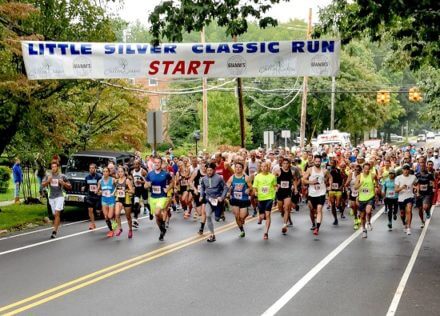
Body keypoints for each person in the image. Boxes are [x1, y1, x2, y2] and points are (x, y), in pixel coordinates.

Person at [145, 157, 173, 241]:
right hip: (153, 197)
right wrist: (147, 185)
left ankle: (163, 223)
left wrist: (168, 189)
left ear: (161, 164)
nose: (156, 164)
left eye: (158, 163)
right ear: (154, 163)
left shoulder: (165, 174)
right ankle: (162, 231)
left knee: (157, 212)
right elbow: (145, 184)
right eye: (155, 162)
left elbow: (172, 182)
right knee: (156, 217)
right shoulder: (150, 174)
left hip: (162, 196)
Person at [199, 162, 228, 242]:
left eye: (210, 170)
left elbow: (225, 188)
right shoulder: (204, 179)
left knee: (217, 219)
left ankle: (222, 208)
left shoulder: (219, 178)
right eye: (207, 170)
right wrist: (201, 195)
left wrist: (222, 197)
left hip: (218, 201)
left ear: (214, 170)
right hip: (209, 200)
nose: (209, 172)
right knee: (207, 215)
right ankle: (212, 235)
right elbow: (202, 187)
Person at [42, 161, 72, 238]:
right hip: (51, 197)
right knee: (55, 215)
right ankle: (57, 222)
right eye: (52, 167)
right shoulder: (48, 176)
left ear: (57, 168)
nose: (53, 168)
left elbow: (70, 186)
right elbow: (42, 185)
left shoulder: (62, 176)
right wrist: (48, 181)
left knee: (57, 213)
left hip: (60, 196)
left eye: (55, 167)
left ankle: (54, 231)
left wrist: (63, 183)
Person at [302, 155, 330, 236]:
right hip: (312, 193)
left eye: (319, 161)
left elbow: (330, 177)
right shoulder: (310, 170)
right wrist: (311, 182)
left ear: (321, 162)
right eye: (316, 161)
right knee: (312, 210)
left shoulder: (324, 171)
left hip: (321, 193)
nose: (318, 163)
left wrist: (329, 185)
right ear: (314, 161)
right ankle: (313, 223)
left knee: (319, 210)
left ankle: (317, 228)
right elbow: (303, 180)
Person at [227, 162, 252, 238]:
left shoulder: (246, 177)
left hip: (244, 199)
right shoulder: (232, 178)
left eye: (239, 167)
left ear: (242, 168)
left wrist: (248, 189)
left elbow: (251, 187)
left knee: (242, 217)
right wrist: (228, 192)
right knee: (237, 216)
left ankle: (246, 214)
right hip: (235, 199)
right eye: (236, 167)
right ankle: (242, 230)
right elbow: (227, 186)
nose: (237, 169)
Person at [253, 161, 277, 240]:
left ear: (268, 167)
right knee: (263, 216)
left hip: (269, 198)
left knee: (268, 215)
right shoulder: (257, 176)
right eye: (262, 166)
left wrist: (275, 194)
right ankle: (260, 217)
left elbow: (274, 186)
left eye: (265, 166)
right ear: (260, 168)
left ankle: (266, 232)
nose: (263, 168)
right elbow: (255, 187)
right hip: (260, 198)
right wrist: (255, 192)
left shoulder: (272, 176)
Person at [274, 158, 297, 235]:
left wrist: (295, 188)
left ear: (289, 164)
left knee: (286, 208)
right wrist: (276, 185)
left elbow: (294, 180)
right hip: (280, 192)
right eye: (284, 163)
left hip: (287, 192)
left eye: (287, 163)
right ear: (282, 164)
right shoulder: (278, 171)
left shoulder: (292, 172)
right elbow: (273, 179)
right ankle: (289, 219)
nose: (286, 165)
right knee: (281, 209)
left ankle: (284, 225)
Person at [355, 162, 377, 239]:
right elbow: (355, 187)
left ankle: (369, 222)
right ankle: (364, 230)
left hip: (370, 197)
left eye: (368, 169)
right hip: (361, 198)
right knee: (362, 216)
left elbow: (376, 182)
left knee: (368, 211)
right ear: (363, 169)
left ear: (370, 169)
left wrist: (376, 187)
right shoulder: (359, 176)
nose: (366, 170)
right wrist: (360, 184)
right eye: (365, 169)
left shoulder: (372, 175)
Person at [395, 164, 417, 235]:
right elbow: (396, 190)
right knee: (402, 214)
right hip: (401, 198)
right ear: (402, 170)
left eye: (407, 169)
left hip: (410, 196)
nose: (406, 171)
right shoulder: (398, 178)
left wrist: (417, 190)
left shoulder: (413, 177)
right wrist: (401, 188)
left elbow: (417, 183)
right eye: (404, 169)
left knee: (409, 210)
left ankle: (408, 228)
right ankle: (404, 223)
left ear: (409, 170)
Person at [114, 166, 135, 238]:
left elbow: (132, 191)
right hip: (119, 199)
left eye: (121, 171)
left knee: (128, 217)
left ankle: (130, 230)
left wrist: (126, 191)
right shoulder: (116, 181)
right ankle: (120, 228)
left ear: (124, 172)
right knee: (116, 214)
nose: (120, 173)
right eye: (119, 172)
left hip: (126, 200)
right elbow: (115, 189)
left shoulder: (127, 180)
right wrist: (114, 193)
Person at [415, 157, 434, 228]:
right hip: (419, 193)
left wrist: (433, 188)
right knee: (420, 209)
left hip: (427, 193)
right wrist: (417, 191)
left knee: (425, 207)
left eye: (423, 163)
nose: (422, 165)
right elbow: (415, 184)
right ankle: (422, 221)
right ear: (419, 165)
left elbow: (432, 182)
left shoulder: (429, 174)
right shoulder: (417, 174)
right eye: (420, 163)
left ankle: (427, 211)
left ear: (425, 164)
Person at [131, 159, 151, 227]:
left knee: (145, 203)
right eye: (134, 164)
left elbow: (148, 181)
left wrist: (141, 182)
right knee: (136, 204)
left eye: (137, 164)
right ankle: (135, 219)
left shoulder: (143, 171)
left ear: (139, 165)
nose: (135, 166)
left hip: (143, 189)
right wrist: (132, 186)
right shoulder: (132, 171)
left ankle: (150, 212)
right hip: (137, 189)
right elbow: (133, 180)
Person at [82, 163, 102, 230]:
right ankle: (92, 224)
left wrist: (100, 191)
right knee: (90, 210)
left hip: (98, 196)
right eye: (90, 168)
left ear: (95, 169)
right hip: (90, 196)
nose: (91, 169)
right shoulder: (87, 177)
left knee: (98, 211)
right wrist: (83, 188)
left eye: (93, 168)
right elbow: (86, 186)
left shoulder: (99, 176)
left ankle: (109, 219)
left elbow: (102, 185)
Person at [98, 167, 116, 237]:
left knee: (110, 216)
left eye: (106, 171)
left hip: (111, 199)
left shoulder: (113, 180)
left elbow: (117, 186)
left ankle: (114, 218)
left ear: (109, 173)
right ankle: (111, 230)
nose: (105, 173)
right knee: (106, 216)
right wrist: (98, 192)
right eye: (104, 171)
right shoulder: (100, 181)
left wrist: (114, 192)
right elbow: (98, 190)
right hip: (104, 200)